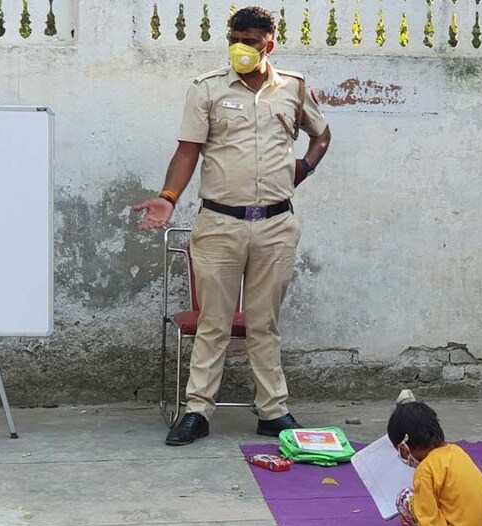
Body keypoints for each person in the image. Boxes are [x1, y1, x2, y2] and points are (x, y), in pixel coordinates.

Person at [133, 5, 332, 446]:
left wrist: (303, 168)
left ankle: (273, 411)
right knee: (214, 323)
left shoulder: (293, 89)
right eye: (236, 39)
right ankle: (198, 411)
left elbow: (322, 133)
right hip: (220, 224)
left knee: (265, 323)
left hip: (276, 225)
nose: (243, 48)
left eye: (252, 42)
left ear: (270, 44)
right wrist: (167, 200)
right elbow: (187, 151)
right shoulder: (206, 89)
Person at [386, 402, 482, 526]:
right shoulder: (456, 451)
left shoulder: (425, 470)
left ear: (404, 448)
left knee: (405, 498)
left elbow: (429, 519)